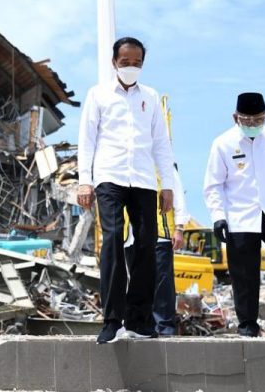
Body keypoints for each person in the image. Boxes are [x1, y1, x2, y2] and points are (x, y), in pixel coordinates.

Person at [77, 36, 176, 343]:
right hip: (110, 177)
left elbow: (161, 143)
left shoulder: (151, 97)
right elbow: (87, 139)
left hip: (144, 181)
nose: (131, 68)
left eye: (137, 63)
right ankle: (111, 319)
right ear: (114, 63)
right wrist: (84, 180)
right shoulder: (99, 95)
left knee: (147, 246)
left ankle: (139, 319)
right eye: (125, 62)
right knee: (113, 242)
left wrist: (168, 185)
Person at [203, 92, 265, 338]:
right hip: (240, 213)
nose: (253, 125)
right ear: (235, 117)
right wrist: (218, 216)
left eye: (258, 120)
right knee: (244, 272)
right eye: (247, 121)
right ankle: (247, 323)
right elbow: (213, 185)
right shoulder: (223, 143)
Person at [124, 165, 187, 336]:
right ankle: (143, 324)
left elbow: (179, 196)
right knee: (138, 283)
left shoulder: (163, 167)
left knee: (161, 284)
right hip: (131, 237)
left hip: (160, 234)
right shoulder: (128, 165)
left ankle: (164, 326)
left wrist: (179, 227)